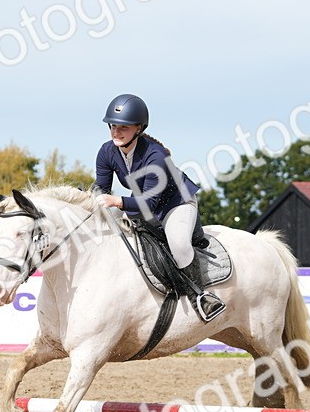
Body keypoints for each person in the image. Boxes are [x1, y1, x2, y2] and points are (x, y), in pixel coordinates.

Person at [94, 93, 224, 321]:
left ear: (139, 128)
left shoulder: (156, 155)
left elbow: (151, 204)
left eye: (123, 127)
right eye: (113, 125)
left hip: (176, 203)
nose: (116, 131)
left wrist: (118, 201)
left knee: (179, 244)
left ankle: (201, 296)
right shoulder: (107, 152)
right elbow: (101, 188)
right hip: (143, 202)